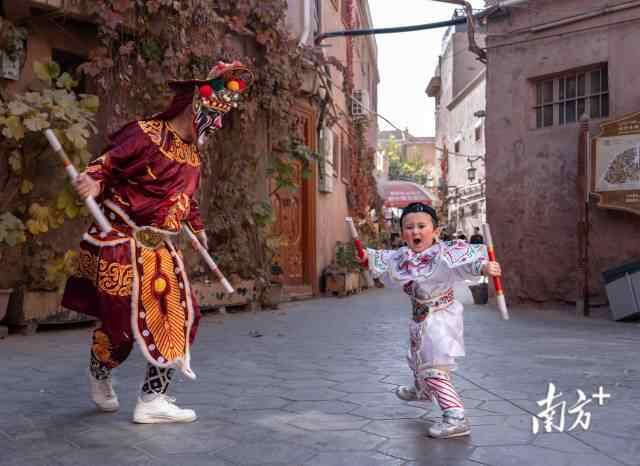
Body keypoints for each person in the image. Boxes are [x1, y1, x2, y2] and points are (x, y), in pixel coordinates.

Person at [62, 61, 254, 423]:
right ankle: (100, 371)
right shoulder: (145, 134)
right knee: (119, 325)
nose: (216, 125)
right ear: (195, 106)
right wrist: (93, 181)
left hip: (161, 247)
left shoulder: (193, 156)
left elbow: (185, 200)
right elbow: (107, 164)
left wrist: (197, 227)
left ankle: (153, 398)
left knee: (179, 316)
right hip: (121, 238)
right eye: (214, 115)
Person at [356, 202, 501, 438]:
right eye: (409, 227)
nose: (415, 231)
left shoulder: (445, 255)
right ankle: (422, 390)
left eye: (421, 226)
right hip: (420, 316)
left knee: (434, 366)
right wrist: (366, 258)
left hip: (441, 317)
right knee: (416, 358)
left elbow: (467, 265)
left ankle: (456, 417)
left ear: (435, 231)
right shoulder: (403, 257)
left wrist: (485, 267)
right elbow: (381, 260)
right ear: (402, 232)